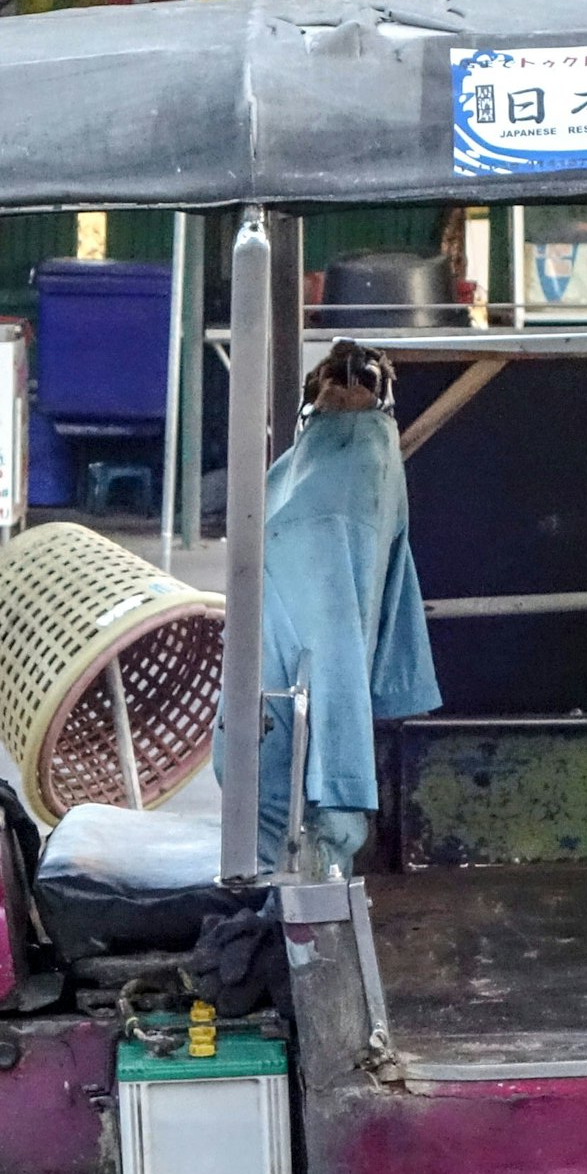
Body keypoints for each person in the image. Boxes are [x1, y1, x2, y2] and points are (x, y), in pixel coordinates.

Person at [232, 341, 439, 874]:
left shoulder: (346, 480)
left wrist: (340, 788)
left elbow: (337, 662)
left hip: (285, 742)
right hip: (282, 731)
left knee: (292, 833)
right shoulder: (370, 460)